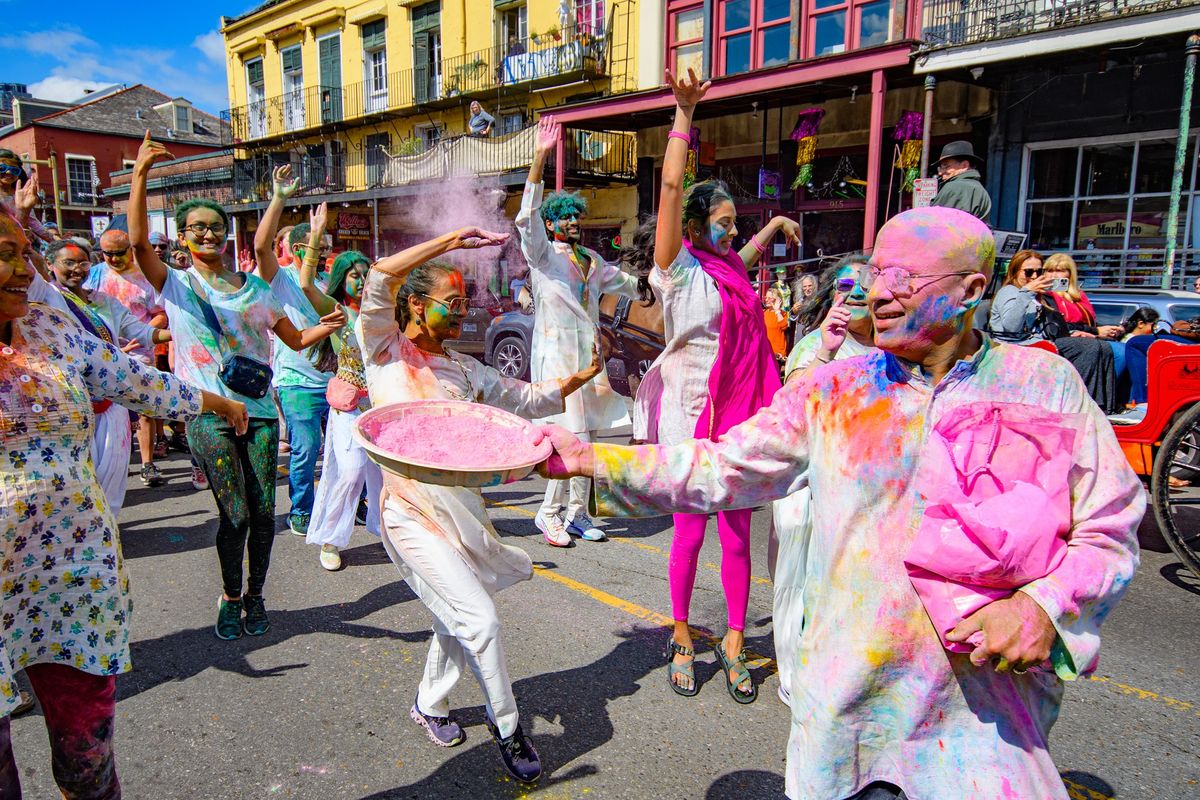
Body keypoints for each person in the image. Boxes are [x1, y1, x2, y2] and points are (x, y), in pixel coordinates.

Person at [539, 205, 1143, 800]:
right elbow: (720, 464)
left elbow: (1109, 524)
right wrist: (592, 458)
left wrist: (1044, 605)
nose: (877, 294)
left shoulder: (1043, 386)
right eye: (875, 274)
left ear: (972, 290)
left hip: (985, 724)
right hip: (853, 715)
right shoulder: (831, 392)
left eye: (902, 279)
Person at [0, 209, 248, 799]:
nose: (20, 267)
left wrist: (219, 404)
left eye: (20, 252)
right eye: (3, 253)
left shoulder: (49, 328)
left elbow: (139, 382)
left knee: (87, 757)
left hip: (69, 576)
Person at [357, 226, 603, 785]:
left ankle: (430, 703)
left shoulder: (468, 372)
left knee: (455, 618)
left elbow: (526, 398)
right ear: (415, 305)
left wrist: (583, 377)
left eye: (467, 302)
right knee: (481, 620)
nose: (463, 313)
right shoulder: (383, 348)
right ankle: (509, 726)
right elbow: (378, 279)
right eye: (453, 303)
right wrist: (450, 242)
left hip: (465, 517)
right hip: (410, 514)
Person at [128, 132, 344, 640]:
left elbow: (292, 336)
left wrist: (327, 328)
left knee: (265, 514)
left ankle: (257, 595)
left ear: (228, 237)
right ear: (182, 237)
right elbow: (138, 243)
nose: (207, 234)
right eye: (196, 228)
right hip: (208, 411)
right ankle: (230, 596)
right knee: (237, 513)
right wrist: (140, 174)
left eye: (215, 227)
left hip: (262, 411)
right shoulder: (178, 285)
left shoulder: (256, 290)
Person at [633, 69, 798, 703]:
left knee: (736, 533)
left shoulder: (728, 266)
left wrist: (775, 223)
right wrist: (682, 113)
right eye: (723, 224)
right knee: (692, 532)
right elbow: (672, 184)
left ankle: (732, 642)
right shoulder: (677, 268)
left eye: (736, 224)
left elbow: (743, 258)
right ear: (698, 226)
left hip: (738, 415)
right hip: (690, 415)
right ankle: (681, 637)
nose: (733, 233)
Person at [516, 117, 644, 546]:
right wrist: (540, 156)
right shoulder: (542, 256)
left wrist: (655, 279)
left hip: (591, 363)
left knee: (589, 438)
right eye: (565, 216)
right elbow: (526, 215)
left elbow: (627, 283)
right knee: (562, 438)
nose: (572, 221)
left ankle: (576, 514)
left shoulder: (591, 258)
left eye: (576, 215)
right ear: (551, 225)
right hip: (557, 362)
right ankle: (547, 513)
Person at [770, 255, 875, 708]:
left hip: (867, 491)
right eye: (847, 290)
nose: (855, 299)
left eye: (865, 291)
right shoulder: (818, 342)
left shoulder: (896, 347)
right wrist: (826, 352)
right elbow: (789, 402)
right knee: (800, 581)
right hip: (812, 483)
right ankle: (794, 676)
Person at [46, 238, 173, 513]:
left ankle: (107, 532)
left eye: (82, 263)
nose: (76, 269)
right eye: (68, 263)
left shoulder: (104, 301)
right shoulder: (47, 297)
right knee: (77, 482)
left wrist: (183, 332)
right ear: (50, 265)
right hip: (69, 404)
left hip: (110, 403)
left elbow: (142, 332)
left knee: (112, 480)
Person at [294, 204, 382, 571]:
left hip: (382, 409)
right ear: (342, 280)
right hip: (349, 408)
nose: (361, 281)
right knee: (348, 473)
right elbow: (303, 284)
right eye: (354, 276)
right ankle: (330, 538)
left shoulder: (382, 313)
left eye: (366, 275)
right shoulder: (337, 312)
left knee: (385, 477)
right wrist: (315, 238)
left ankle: (391, 535)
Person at [254, 165, 335, 537]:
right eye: (321, 245)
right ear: (300, 248)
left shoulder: (326, 282)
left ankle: (340, 506)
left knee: (337, 452)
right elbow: (260, 247)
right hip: (296, 383)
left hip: (333, 382)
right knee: (305, 450)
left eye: (330, 246)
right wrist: (279, 198)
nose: (327, 253)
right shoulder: (282, 278)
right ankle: (301, 510)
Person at [86, 226, 172, 486]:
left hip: (139, 351)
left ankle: (147, 464)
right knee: (106, 412)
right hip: (101, 354)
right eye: (107, 254)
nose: (113, 259)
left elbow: (161, 313)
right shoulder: (92, 276)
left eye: (119, 253)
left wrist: (150, 333)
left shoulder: (145, 277)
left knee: (144, 408)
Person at [989, 249, 1122, 412]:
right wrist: (1027, 293)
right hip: (1017, 346)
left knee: (1103, 348)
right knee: (1088, 349)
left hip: (1038, 342)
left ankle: (1102, 406)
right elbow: (1011, 326)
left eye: (1039, 271)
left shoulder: (1037, 295)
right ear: (1016, 271)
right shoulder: (1010, 291)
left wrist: (1072, 333)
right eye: (1029, 272)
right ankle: (1076, 406)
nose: (1034, 276)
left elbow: (1043, 327)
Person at [1043, 252, 1147, 405]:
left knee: (1129, 349)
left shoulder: (1078, 296)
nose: (1054, 275)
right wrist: (1097, 331)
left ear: (1069, 273)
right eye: (1049, 270)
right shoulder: (1047, 296)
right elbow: (1061, 325)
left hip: (1090, 338)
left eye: (1059, 270)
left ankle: (1125, 400)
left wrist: (1108, 330)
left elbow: (1088, 322)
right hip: (1067, 340)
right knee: (1120, 352)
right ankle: (1098, 398)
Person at [0, 150, 54, 244]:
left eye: (14, 170)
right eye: (2, 168)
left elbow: (33, 222)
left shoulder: (20, 195)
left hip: (17, 242)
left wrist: (56, 241)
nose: (8, 172)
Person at [930, 140, 992, 221]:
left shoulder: (954, 187)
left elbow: (934, 223)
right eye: (940, 167)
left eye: (946, 166)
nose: (940, 172)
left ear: (964, 165)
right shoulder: (979, 189)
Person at [764, 286, 788, 359]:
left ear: (777, 300)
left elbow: (784, 326)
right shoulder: (764, 313)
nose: (766, 300)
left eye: (770, 298)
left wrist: (777, 311)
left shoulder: (783, 313)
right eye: (766, 297)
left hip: (777, 353)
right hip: (765, 351)